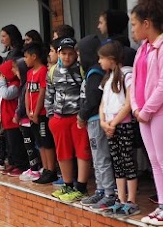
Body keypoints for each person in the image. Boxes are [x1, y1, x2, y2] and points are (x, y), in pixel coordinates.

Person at [130, 0, 163, 226]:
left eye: (134, 24)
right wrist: (135, 107)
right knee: (154, 160)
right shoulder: (144, 48)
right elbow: (134, 79)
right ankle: (162, 204)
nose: (132, 30)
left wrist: (147, 109)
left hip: (159, 113)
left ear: (147, 24)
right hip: (143, 113)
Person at [97, 41, 139, 216]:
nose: (99, 62)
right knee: (117, 163)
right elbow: (102, 104)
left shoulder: (127, 75)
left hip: (123, 125)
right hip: (110, 126)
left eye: (102, 58)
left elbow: (128, 104)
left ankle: (131, 201)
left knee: (127, 162)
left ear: (112, 59)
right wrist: (103, 122)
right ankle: (121, 199)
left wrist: (113, 123)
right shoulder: (107, 79)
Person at [47, 37, 90, 203]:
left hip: (77, 118)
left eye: (70, 54)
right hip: (59, 118)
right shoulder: (52, 71)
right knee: (63, 153)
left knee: (82, 151)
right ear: (58, 54)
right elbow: (49, 95)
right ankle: (68, 185)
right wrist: (51, 116)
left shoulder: (81, 70)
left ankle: (81, 187)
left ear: (76, 54)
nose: (66, 57)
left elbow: (86, 93)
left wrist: (83, 115)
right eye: (63, 53)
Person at [77, 37, 117, 209]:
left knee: (101, 157)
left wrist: (82, 115)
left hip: (95, 120)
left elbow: (93, 98)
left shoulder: (94, 72)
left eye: (79, 54)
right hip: (93, 120)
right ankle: (101, 190)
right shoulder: (92, 71)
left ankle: (109, 192)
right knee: (97, 157)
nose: (78, 58)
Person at [21, 42, 57, 184]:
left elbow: (42, 92)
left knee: (46, 142)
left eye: (26, 57)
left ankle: (51, 170)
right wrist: (28, 110)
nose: (25, 60)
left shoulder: (43, 71)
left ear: (34, 56)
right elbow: (27, 93)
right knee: (39, 143)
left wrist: (36, 112)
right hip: (31, 114)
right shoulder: (29, 73)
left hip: (41, 114)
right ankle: (45, 169)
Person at [0, 57, 30, 176]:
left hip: (14, 121)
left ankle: (21, 165)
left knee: (17, 145)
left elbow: (6, 95)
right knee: (10, 145)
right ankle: (13, 163)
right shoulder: (10, 84)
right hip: (7, 121)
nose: (0, 76)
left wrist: (1, 83)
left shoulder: (15, 85)